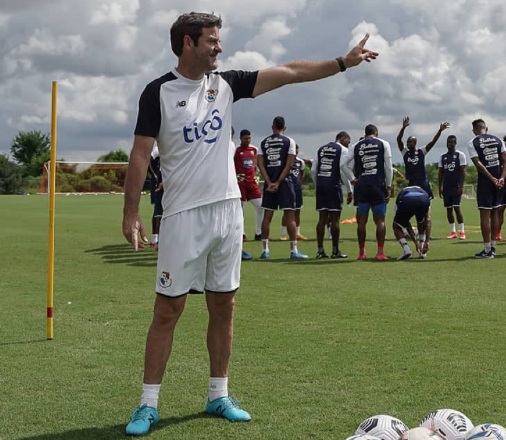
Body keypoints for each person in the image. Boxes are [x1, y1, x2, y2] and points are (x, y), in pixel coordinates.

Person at [121, 11, 377, 436]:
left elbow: (291, 72)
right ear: (188, 43)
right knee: (168, 310)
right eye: (211, 40)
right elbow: (140, 154)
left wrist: (343, 63)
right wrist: (131, 213)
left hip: (227, 212)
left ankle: (218, 395)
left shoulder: (227, 84)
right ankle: (148, 405)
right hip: (182, 216)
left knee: (224, 305)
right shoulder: (158, 92)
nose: (219, 47)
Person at [257, 116, 307, 259]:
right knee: (290, 215)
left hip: (269, 183)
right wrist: (279, 182)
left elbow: (260, 164)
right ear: (284, 128)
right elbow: (290, 163)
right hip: (285, 182)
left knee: (267, 216)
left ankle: (265, 250)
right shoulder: (289, 141)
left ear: (272, 127)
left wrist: (269, 181)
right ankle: (294, 251)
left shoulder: (264, 142)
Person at [343, 124, 394, 261]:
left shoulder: (356, 146)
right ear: (376, 133)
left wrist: (353, 180)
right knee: (380, 221)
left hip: (362, 186)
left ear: (365, 134)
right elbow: (388, 167)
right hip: (378, 186)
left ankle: (362, 253)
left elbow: (343, 164)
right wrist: (389, 186)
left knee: (361, 221)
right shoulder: (384, 144)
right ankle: (380, 252)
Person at [467, 118, 506, 258]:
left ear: (474, 130)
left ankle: (486, 250)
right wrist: (502, 177)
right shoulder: (498, 140)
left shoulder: (472, 142)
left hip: (486, 182)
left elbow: (478, 163)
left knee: (485, 215)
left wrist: (491, 179)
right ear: (487, 128)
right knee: (495, 213)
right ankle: (493, 247)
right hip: (499, 180)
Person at [312, 131, 353, 259]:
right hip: (333, 185)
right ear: (343, 138)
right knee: (335, 219)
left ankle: (320, 250)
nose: (349, 144)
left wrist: (317, 184)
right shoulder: (343, 150)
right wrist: (349, 190)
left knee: (322, 219)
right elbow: (342, 170)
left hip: (321, 184)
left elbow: (313, 169)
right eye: (348, 141)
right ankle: (335, 251)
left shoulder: (321, 149)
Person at [396, 117, 450, 196]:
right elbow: (399, 139)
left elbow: (433, 142)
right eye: (407, 142)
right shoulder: (405, 152)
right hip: (412, 182)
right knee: (412, 201)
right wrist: (403, 128)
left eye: (410, 142)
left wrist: (440, 131)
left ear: (415, 143)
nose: (408, 144)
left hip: (422, 181)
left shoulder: (421, 151)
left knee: (427, 202)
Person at [233, 129, 263, 243]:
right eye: (246, 138)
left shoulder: (254, 149)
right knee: (241, 210)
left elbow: (257, 164)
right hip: (240, 183)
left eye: (249, 138)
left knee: (261, 206)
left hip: (252, 183)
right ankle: (242, 234)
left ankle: (259, 233)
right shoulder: (236, 150)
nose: (248, 140)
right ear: (241, 139)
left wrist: (257, 175)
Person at [438, 135, 467, 239]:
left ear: (455, 143)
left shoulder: (460, 155)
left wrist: (461, 186)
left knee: (457, 208)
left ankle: (462, 231)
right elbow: (440, 173)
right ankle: (453, 231)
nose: (450, 144)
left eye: (452, 142)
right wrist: (439, 187)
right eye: (448, 142)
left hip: (456, 186)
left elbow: (463, 172)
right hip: (446, 187)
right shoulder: (443, 157)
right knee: (448, 209)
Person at [392, 185, 432, 260]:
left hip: (406, 200)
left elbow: (406, 223)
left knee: (396, 226)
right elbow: (428, 219)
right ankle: (423, 247)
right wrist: (427, 241)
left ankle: (406, 250)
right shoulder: (423, 192)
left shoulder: (401, 195)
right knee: (421, 221)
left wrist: (415, 242)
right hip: (423, 199)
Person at [281, 144, 307, 240]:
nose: (295, 153)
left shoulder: (300, 162)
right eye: (294, 151)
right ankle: (283, 234)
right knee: (287, 212)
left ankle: (297, 233)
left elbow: (302, 173)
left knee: (297, 211)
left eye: (297, 151)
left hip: (297, 189)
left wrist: (299, 183)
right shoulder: (285, 161)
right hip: (287, 189)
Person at [148, 145, 163, 250]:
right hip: (162, 178)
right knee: (158, 210)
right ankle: (155, 240)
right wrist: (154, 175)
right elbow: (147, 159)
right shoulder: (158, 147)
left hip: (171, 177)